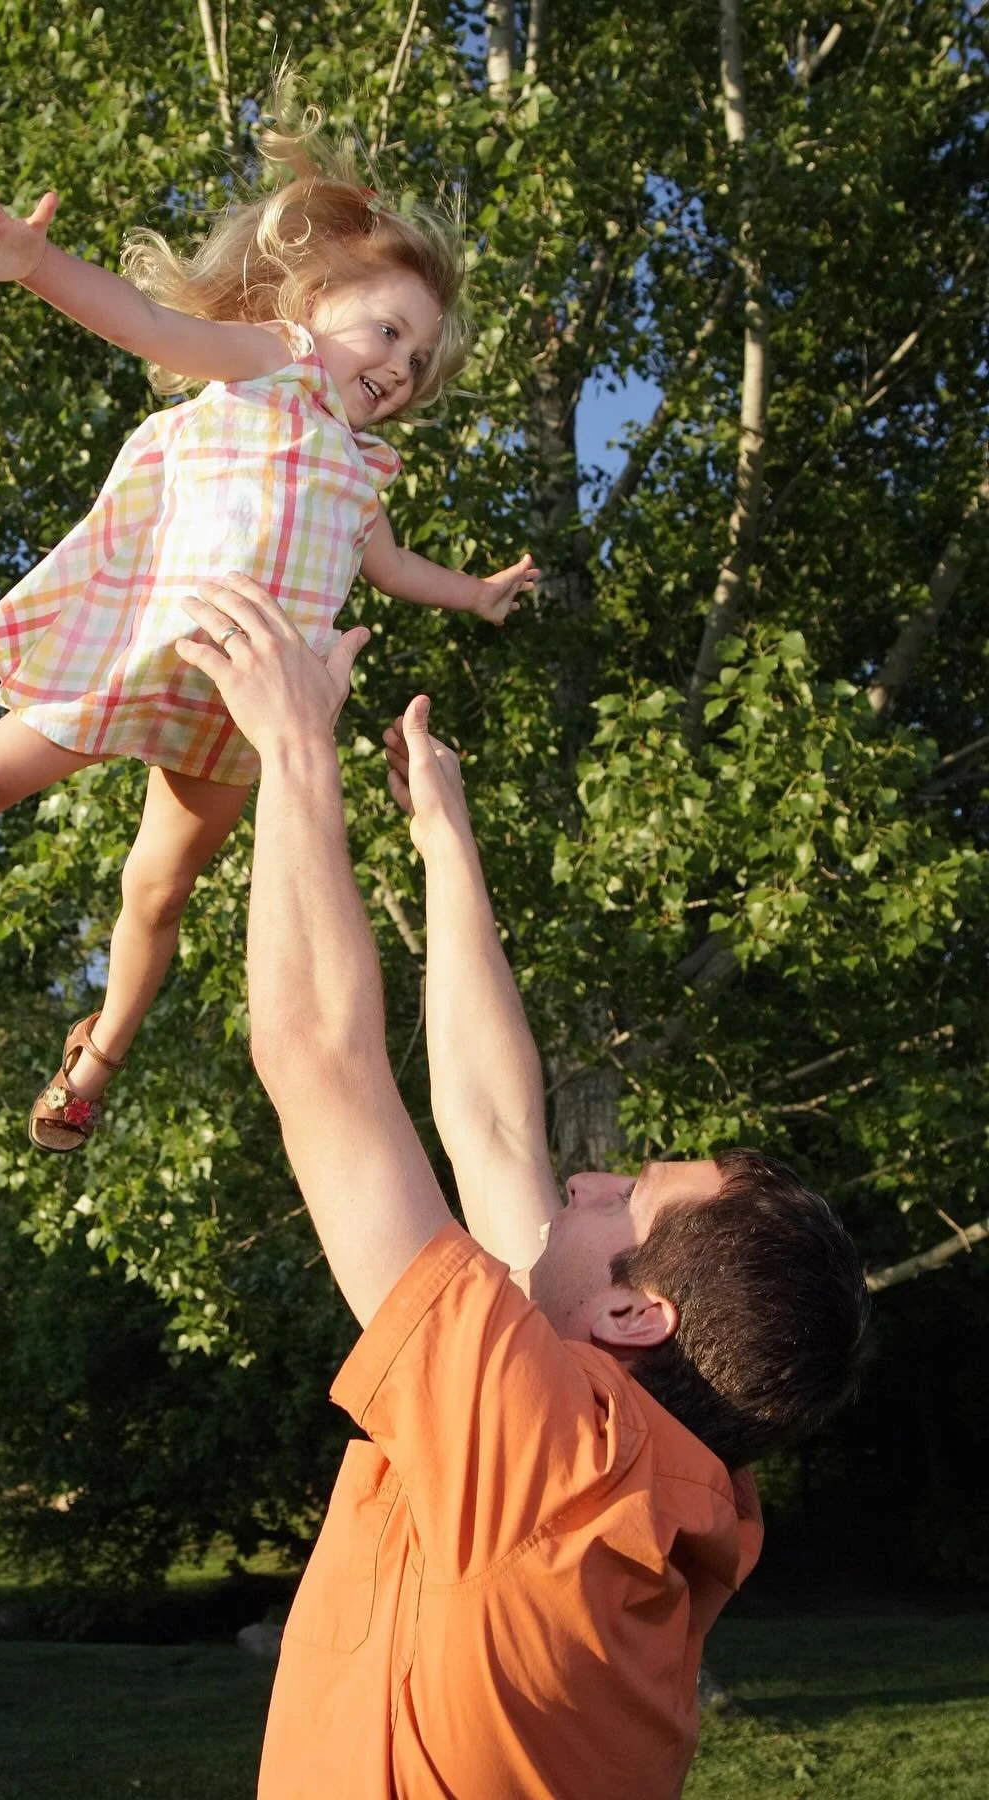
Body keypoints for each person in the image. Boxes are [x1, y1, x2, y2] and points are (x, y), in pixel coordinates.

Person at [0, 102, 539, 1152]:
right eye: (388, 331)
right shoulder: (274, 363)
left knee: (155, 890)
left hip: (248, 702)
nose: (399, 367)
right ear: (314, 302)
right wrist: (37, 265)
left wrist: (473, 591)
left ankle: (96, 1059)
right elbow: (150, 326)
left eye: (418, 360)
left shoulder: (365, 469)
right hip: (154, 652)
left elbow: (389, 569)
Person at [173, 573, 870, 1800]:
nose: (585, 1180)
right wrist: (446, 843)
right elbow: (491, 1129)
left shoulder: (553, 1471)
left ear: (634, 1315)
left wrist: (292, 744)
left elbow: (320, 1069)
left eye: (621, 1200)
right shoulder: (638, 1485)